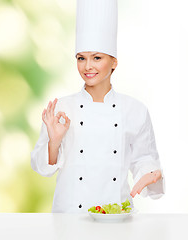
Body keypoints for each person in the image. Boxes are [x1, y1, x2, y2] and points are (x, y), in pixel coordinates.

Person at [31, 0, 165, 213]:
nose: (87, 66)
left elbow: (144, 159)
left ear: (114, 62)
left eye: (97, 58)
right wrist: (54, 142)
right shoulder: (62, 108)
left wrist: (152, 172)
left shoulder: (135, 110)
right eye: (81, 58)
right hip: (70, 216)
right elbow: (41, 168)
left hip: (116, 215)